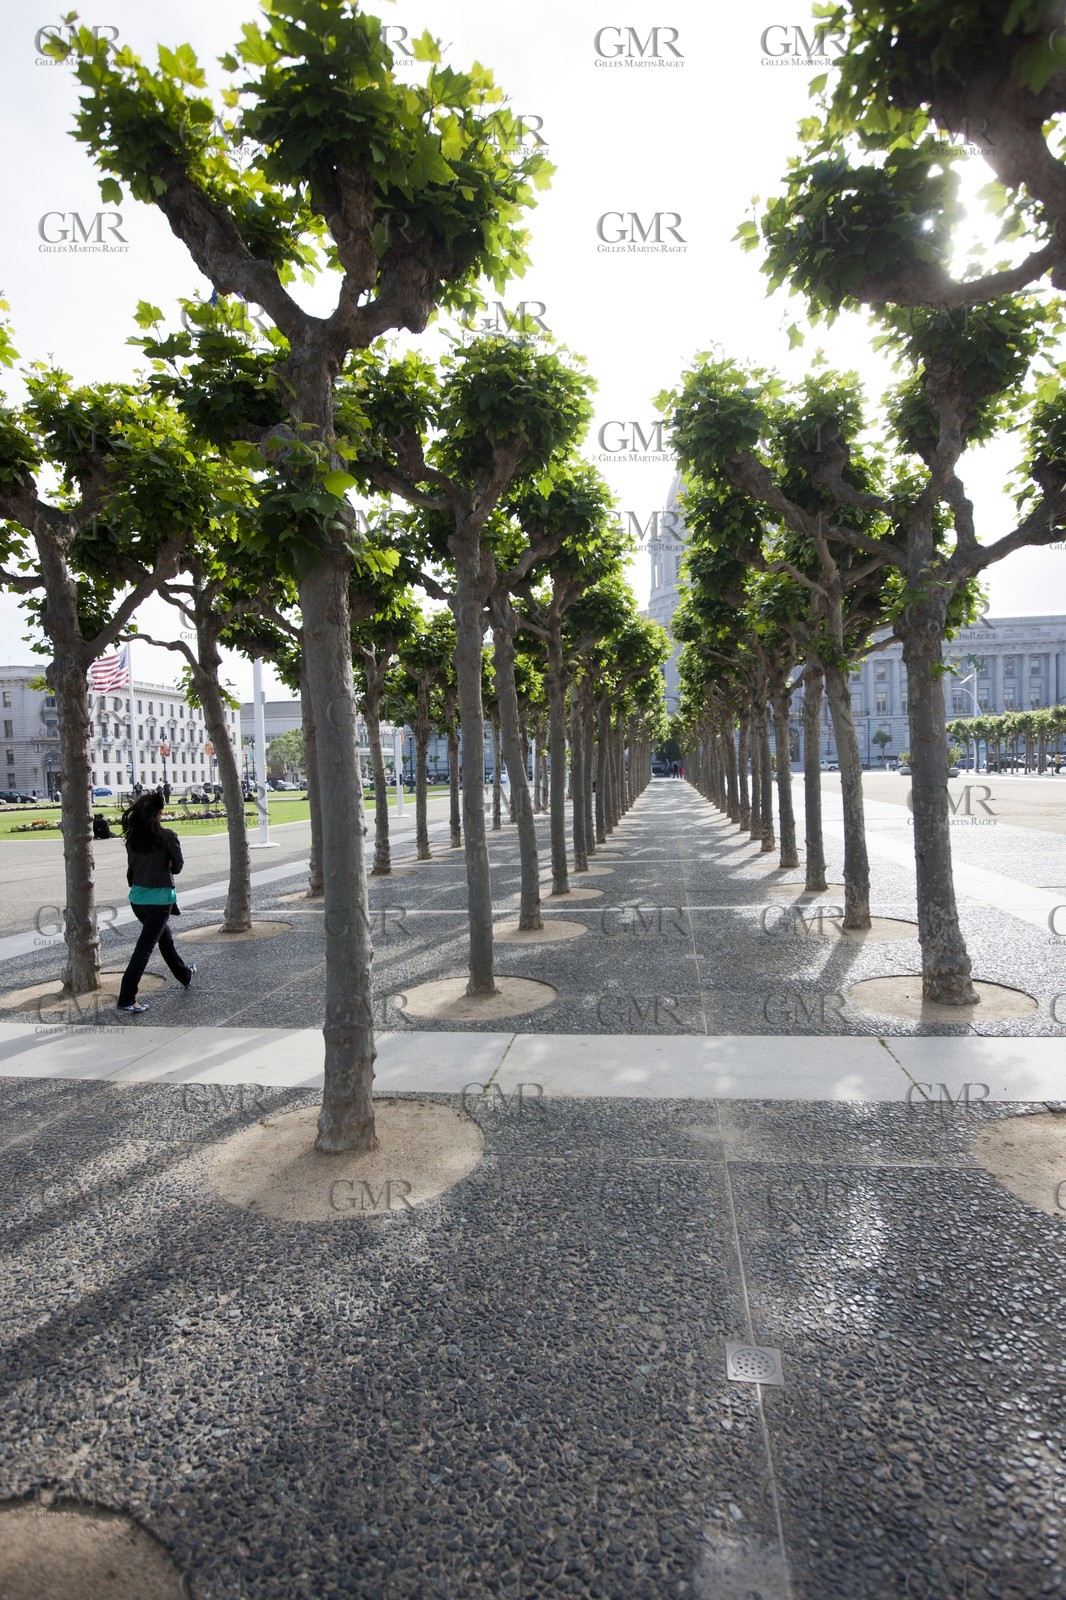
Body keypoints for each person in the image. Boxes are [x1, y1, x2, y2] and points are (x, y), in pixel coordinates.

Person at [116, 791, 196, 1014]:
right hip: (159, 901)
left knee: (165, 938)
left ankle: (185, 975)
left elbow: (136, 866)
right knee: (145, 948)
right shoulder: (168, 836)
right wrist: (167, 863)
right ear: (158, 813)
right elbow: (178, 867)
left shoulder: (132, 836)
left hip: (137, 900)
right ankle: (127, 998)